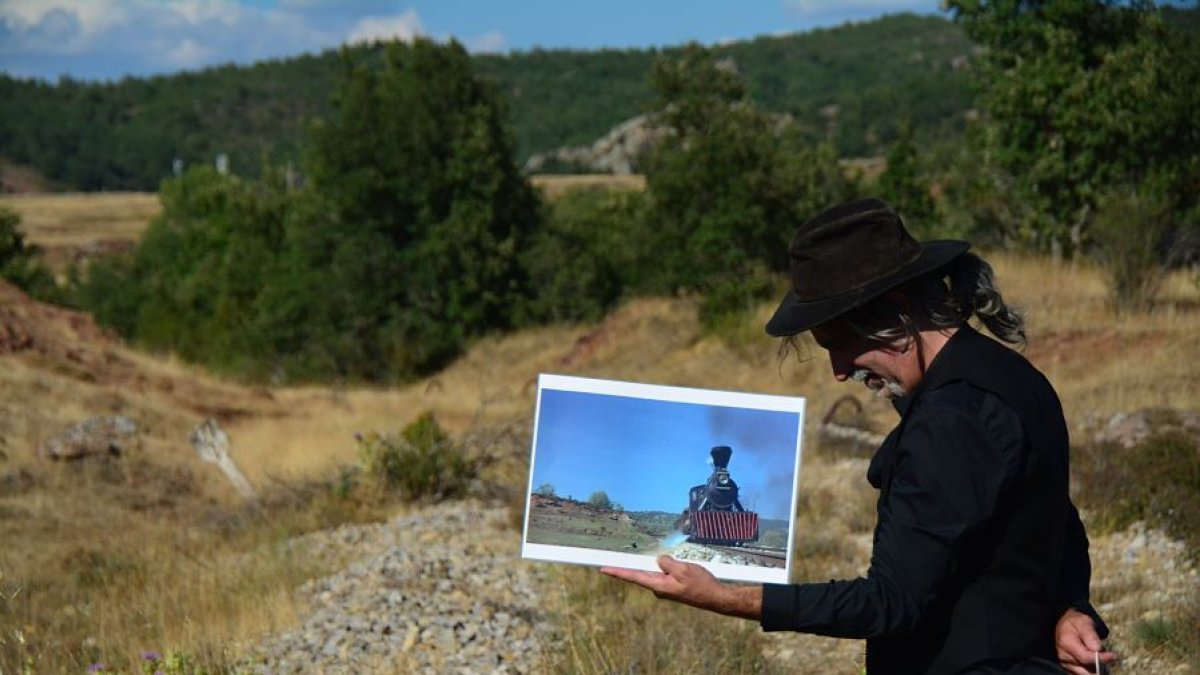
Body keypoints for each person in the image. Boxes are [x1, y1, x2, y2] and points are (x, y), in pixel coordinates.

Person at [602, 198, 1115, 674]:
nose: (839, 370)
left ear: (895, 308)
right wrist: (1070, 604)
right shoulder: (1010, 376)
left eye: (840, 342)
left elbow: (892, 603)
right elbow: (1053, 519)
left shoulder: (951, 419)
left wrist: (727, 597)